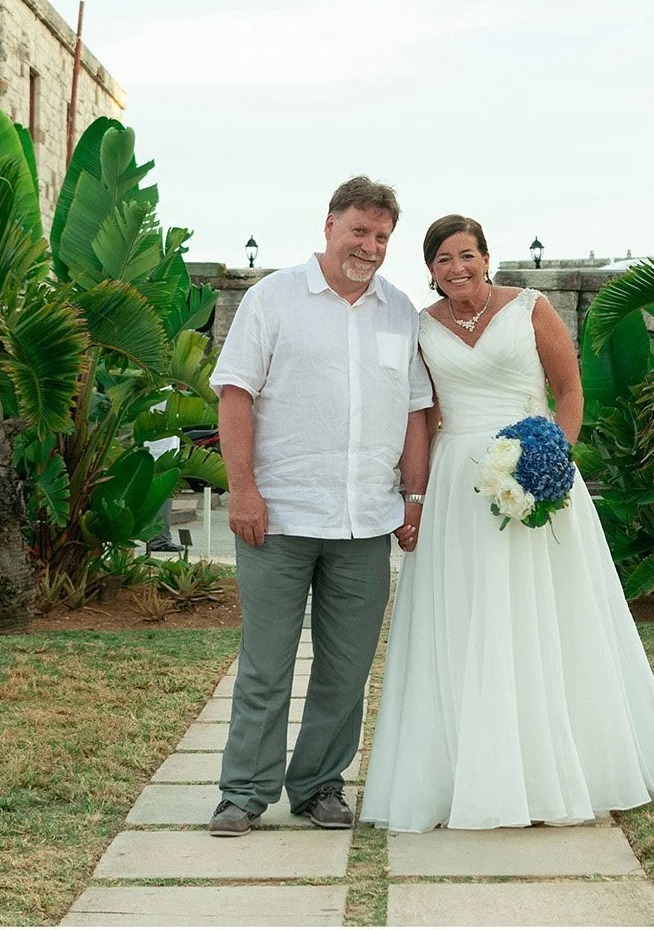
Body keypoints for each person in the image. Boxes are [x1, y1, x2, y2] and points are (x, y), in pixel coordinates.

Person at [360, 214, 654, 832]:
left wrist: (553, 459)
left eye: (466, 254)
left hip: (536, 476)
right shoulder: (421, 328)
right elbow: (427, 414)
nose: (457, 268)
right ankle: (463, 771)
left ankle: (555, 767)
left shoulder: (531, 308)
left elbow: (568, 392)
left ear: (487, 257)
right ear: (431, 272)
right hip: (457, 490)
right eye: (442, 259)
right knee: (464, 615)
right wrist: (412, 496)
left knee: (546, 616)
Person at [204, 176, 434, 836]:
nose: (369, 245)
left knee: (346, 668)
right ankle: (243, 791)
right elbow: (235, 394)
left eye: (382, 236)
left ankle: (319, 786)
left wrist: (412, 496)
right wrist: (243, 487)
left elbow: (416, 412)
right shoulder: (271, 299)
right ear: (330, 224)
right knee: (266, 662)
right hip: (278, 517)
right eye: (359, 230)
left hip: (366, 520)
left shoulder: (399, 310)